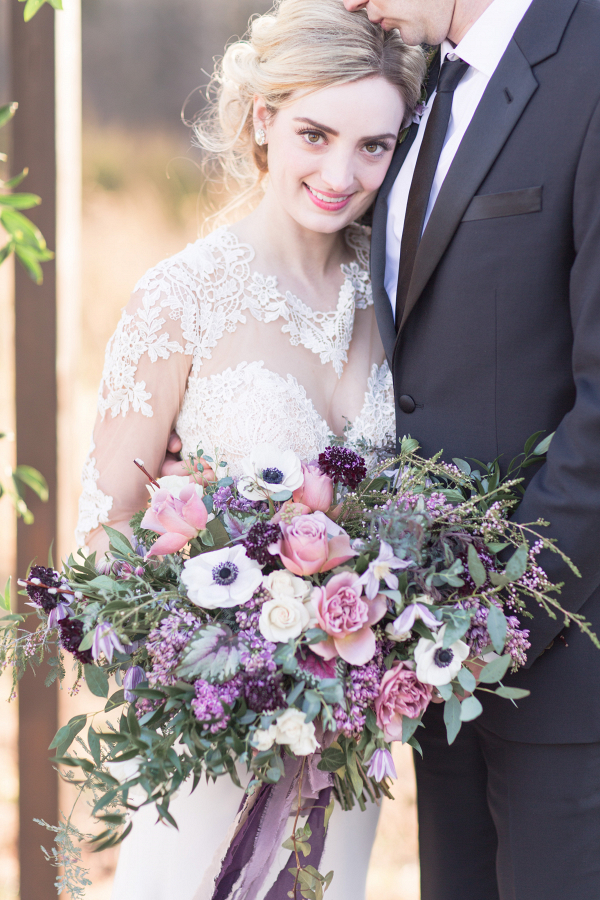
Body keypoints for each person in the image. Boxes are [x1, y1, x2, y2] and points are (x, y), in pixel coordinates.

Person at [75, 2, 425, 898]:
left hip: (347, 749)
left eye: (374, 147)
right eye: (316, 132)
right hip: (213, 740)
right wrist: (215, 650)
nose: (341, 173)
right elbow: (102, 547)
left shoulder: (398, 304)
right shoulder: (179, 300)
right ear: (264, 119)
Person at [340, 0, 600, 899]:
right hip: (437, 671)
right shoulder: (420, 85)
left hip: (563, 662)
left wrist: (514, 608)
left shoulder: (592, 63)